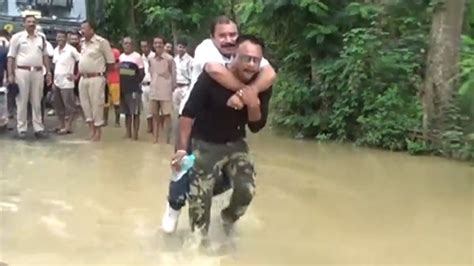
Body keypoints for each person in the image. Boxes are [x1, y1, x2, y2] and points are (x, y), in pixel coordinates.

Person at [161, 15, 276, 234]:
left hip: (235, 140)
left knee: (245, 190)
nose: (228, 39)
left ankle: (226, 218)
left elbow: (257, 122)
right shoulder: (207, 56)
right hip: (198, 131)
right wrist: (245, 91)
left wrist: (251, 102)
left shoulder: (253, 60)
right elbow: (190, 111)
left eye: (232, 34)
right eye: (222, 35)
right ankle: (175, 206)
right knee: (183, 172)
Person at [7, 15, 52, 139]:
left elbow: (45, 56)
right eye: (29, 22)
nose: (31, 24)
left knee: (37, 100)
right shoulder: (17, 38)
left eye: (33, 22)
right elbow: (11, 57)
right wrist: (10, 74)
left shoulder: (41, 38)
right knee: (21, 100)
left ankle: (39, 129)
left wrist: (48, 72)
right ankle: (22, 129)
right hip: (22, 72)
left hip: (38, 72)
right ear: (24, 24)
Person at [78, 20, 115, 142]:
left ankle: (98, 134)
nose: (82, 31)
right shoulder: (82, 43)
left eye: (84, 28)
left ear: (92, 30)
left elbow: (111, 62)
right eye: (81, 28)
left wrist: (104, 76)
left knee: (97, 105)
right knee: (85, 106)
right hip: (83, 78)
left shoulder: (101, 42)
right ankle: (91, 131)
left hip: (97, 78)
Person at [52, 30, 80, 134]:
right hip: (57, 81)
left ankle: (68, 126)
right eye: (58, 37)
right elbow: (55, 65)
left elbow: (81, 61)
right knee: (58, 105)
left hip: (67, 82)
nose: (60, 39)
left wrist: (76, 75)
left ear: (66, 38)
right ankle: (61, 124)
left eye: (62, 37)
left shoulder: (71, 50)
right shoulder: (55, 50)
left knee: (69, 105)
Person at [149, 36, 176, 144]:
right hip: (154, 89)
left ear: (164, 45)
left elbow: (173, 74)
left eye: (160, 43)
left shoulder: (169, 59)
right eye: (155, 43)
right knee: (154, 115)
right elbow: (151, 72)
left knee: (167, 115)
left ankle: (167, 140)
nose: (157, 45)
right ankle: (155, 138)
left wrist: (172, 88)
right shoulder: (151, 59)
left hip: (166, 90)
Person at [118, 36, 144, 140]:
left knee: (136, 112)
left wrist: (134, 80)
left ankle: (135, 134)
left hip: (134, 88)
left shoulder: (137, 57)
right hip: (123, 88)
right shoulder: (121, 57)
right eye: (125, 43)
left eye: (129, 43)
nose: (127, 45)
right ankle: (128, 133)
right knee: (126, 113)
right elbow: (120, 72)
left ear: (132, 45)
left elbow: (141, 73)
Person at [173, 38, 193, 112]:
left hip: (185, 87)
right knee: (176, 109)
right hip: (176, 87)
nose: (181, 49)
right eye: (180, 47)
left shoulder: (190, 60)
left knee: (184, 109)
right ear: (176, 47)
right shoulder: (175, 60)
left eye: (183, 47)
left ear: (186, 48)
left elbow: (192, 76)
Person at [140, 40, 155, 133]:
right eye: (142, 46)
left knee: (155, 107)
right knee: (146, 107)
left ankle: (157, 127)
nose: (144, 48)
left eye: (145, 46)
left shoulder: (154, 57)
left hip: (153, 85)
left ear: (149, 46)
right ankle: (150, 127)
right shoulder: (140, 58)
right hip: (143, 85)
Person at [105, 44, 121, 127]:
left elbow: (117, 65)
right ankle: (105, 120)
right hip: (105, 80)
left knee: (116, 102)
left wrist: (109, 66)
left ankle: (117, 121)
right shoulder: (102, 52)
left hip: (115, 80)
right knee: (105, 102)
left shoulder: (115, 52)